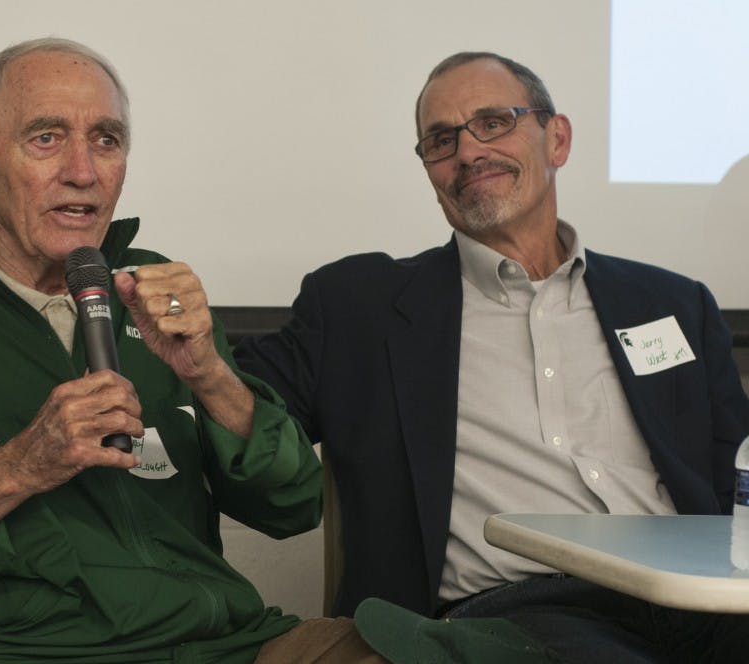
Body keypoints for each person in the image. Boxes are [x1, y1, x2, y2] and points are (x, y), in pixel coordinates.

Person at [0, 37, 394, 663]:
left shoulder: (154, 295)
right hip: (1, 650)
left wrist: (210, 376)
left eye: (106, 140)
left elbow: (293, 506)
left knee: (425, 649)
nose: (83, 171)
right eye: (46, 138)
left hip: (214, 644)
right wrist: (18, 468)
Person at [236, 51, 749, 662]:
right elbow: (240, 403)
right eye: (441, 139)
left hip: (703, 604)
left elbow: (735, 481)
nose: (469, 152)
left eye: (494, 122)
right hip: (520, 615)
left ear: (556, 138)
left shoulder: (672, 303)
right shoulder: (359, 308)